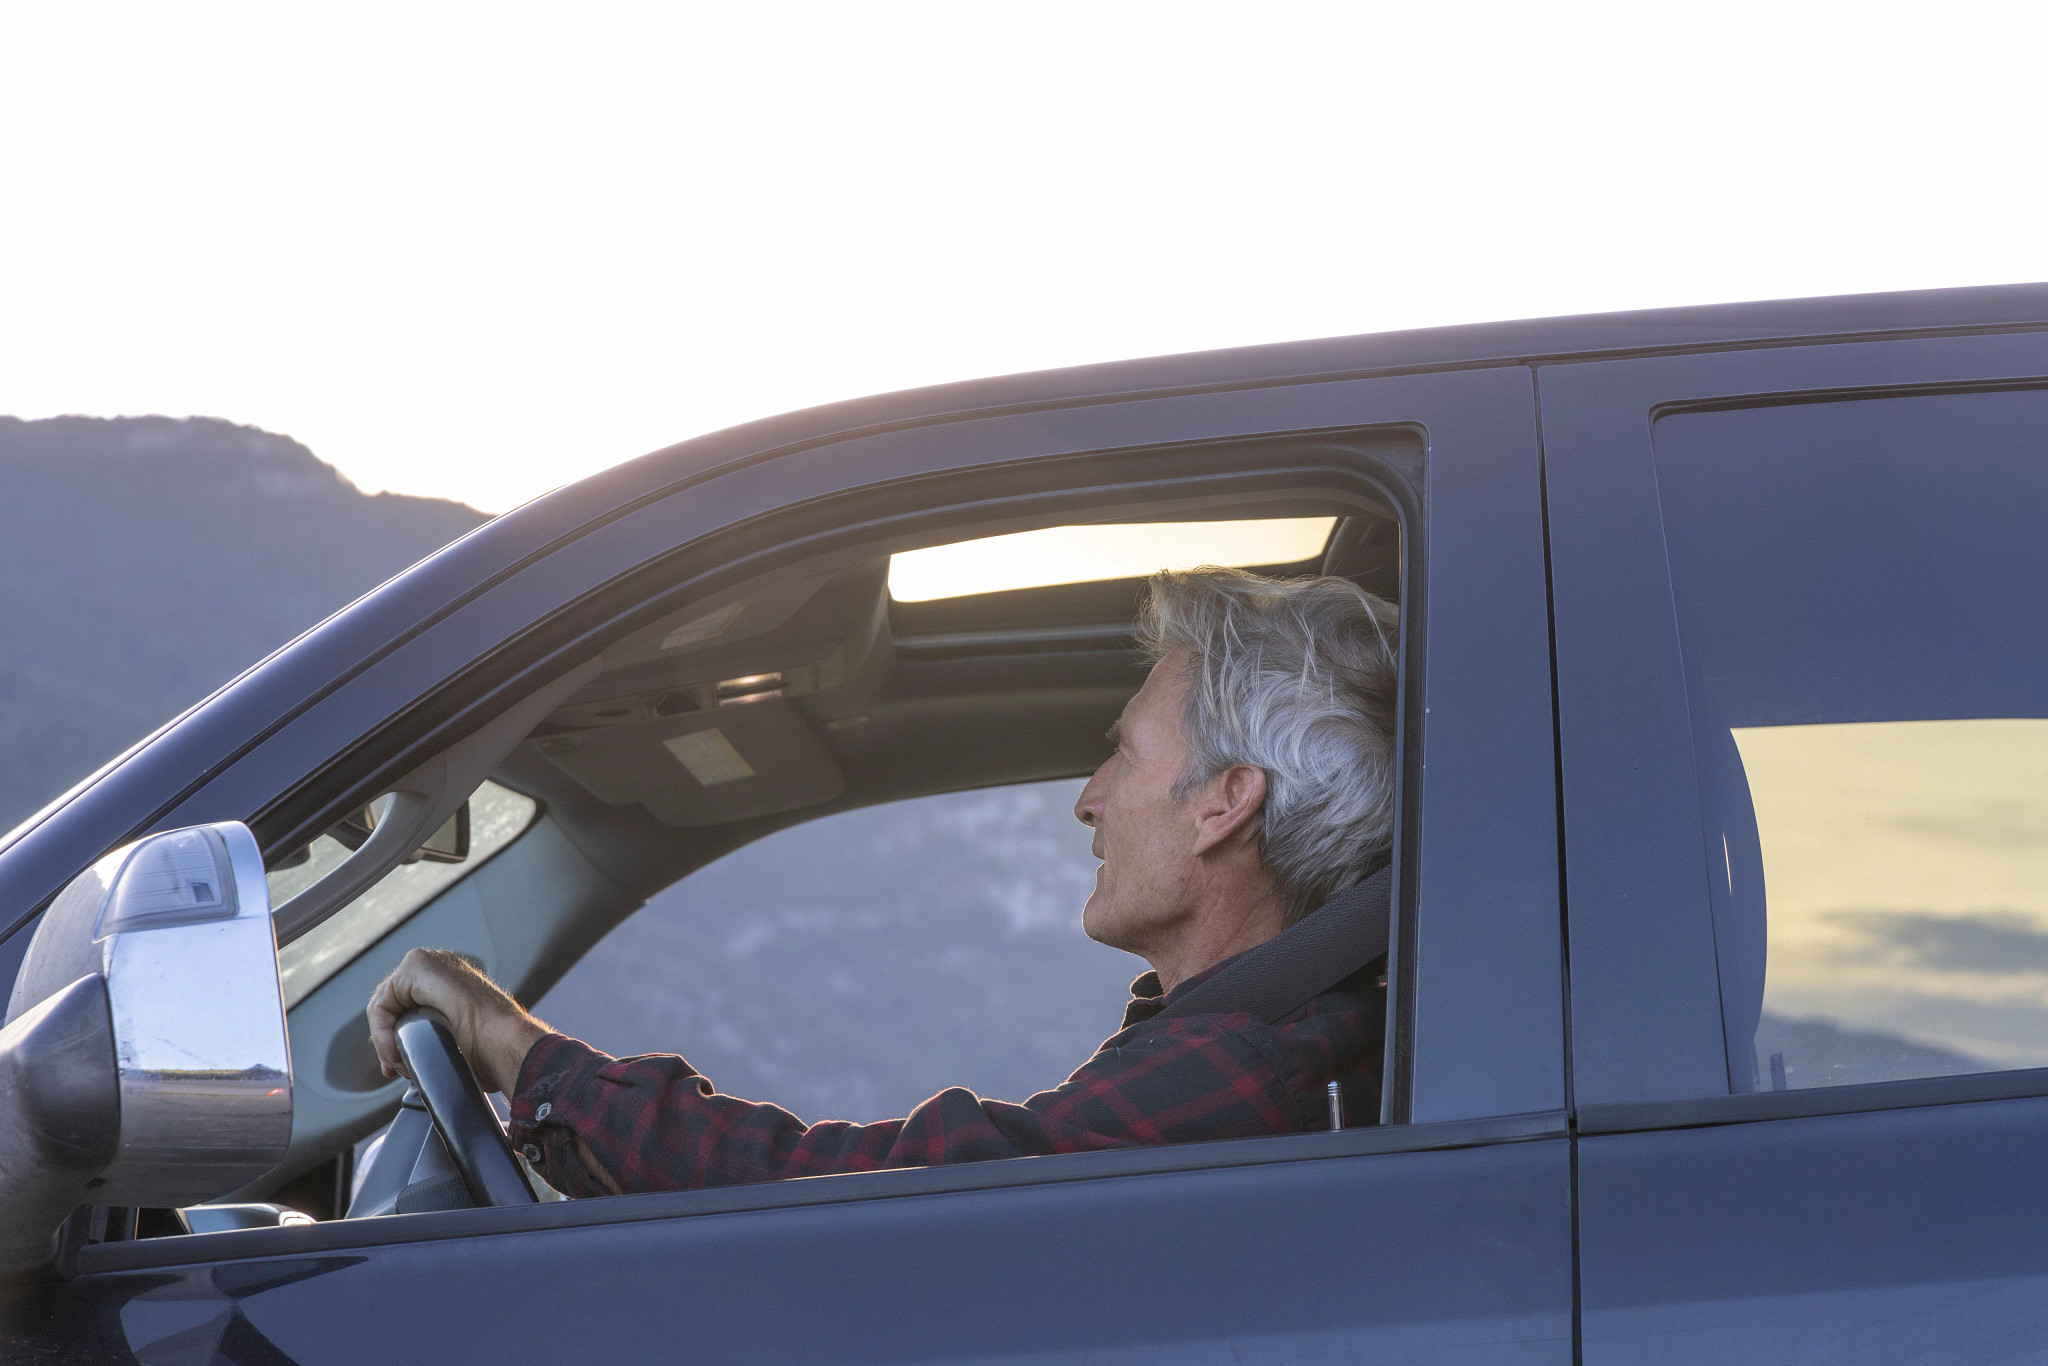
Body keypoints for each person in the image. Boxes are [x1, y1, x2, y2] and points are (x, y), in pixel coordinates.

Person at [367, 567, 1400, 1196]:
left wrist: (516, 1049)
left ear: (1225, 802)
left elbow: (865, 1199)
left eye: (1121, 755)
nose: (1086, 798)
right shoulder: (1252, 1045)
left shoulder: (1251, 1074)